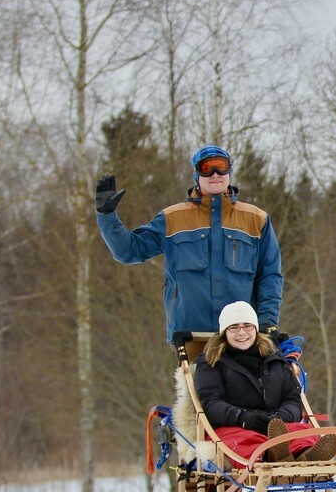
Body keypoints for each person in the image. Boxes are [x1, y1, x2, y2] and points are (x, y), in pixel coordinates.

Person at [95, 145, 285, 344]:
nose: (215, 174)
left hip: (242, 337)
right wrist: (107, 216)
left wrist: (267, 322)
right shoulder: (172, 219)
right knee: (198, 377)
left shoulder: (256, 220)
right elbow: (128, 251)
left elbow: (270, 275)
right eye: (206, 168)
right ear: (196, 175)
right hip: (191, 337)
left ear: (229, 172)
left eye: (221, 167)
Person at [193, 301, 336, 464]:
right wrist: (243, 417)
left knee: (302, 431)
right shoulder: (211, 362)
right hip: (235, 426)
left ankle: (305, 454)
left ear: (255, 329)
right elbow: (211, 403)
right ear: (224, 333)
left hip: (277, 427)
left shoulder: (275, 359)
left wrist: (280, 417)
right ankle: (272, 456)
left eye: (247, 326)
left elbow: (292, 399)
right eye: (234, 327)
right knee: (244, 441)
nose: (242, 332)